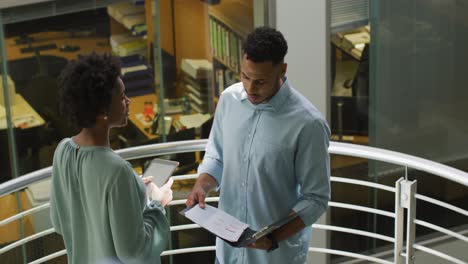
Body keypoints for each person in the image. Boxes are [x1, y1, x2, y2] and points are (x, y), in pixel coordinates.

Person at [186, 26, 331, 264]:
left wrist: (275, 237)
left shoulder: (308, 124)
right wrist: (202, 185)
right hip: (227, 254)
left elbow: (316, 198)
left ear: (282, 70)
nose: (250, 88)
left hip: (275, 257)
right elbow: (217, 157)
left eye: (260, 81)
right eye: (245, 76)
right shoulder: (229, 101)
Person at [49, 53, 173, 264]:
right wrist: (157, 204)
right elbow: (134, 253)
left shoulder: (63, 151)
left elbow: (61, 223)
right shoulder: (118, 171)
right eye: (122, 97)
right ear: (101, 111)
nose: (128, 101)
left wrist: (134, 192)